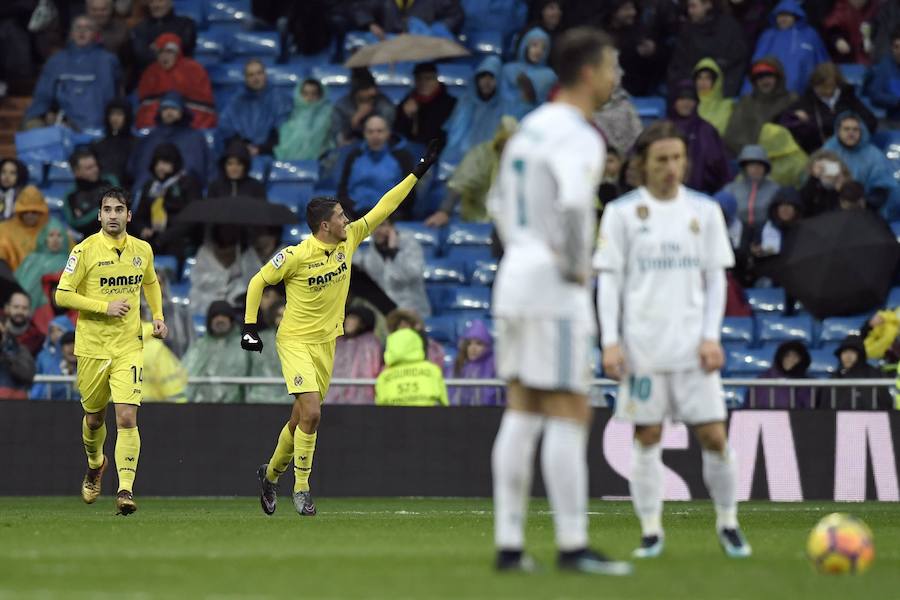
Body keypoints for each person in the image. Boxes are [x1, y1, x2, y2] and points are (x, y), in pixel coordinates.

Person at [489, 28, 633, 574]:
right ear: (589, 73)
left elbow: (497, 203)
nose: (617, 77)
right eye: (612, 66)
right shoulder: (579, 135)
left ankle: (509, 546)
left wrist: (525, 247)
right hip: (553, 282)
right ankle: (572, 545)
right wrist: (576, 266)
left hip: (515, 273)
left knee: (523, 408)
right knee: (571, 409)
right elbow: (575, 206)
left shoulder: (529, 128)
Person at [240, 139, 440, 517]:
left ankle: (270, 474)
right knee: (313, 413)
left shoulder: (350, 241)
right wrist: (249, 327)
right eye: (341, 216)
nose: (347, 220)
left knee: (300, 418)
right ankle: (302, 488)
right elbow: (257, 282)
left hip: (326, 343)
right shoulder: (296, 255)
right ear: (324, 225)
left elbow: (385, 206)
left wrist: (417, 172)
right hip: (295, 341)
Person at [595, 121, 750, 559]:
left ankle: (728, 523)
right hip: (642, 350)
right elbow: (609, 282)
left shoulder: (705, 211)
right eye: (661, 159)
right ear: (642, 165)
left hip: (692, 349)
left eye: (677, 158)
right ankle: (650, 531)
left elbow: (716, 280)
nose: (670, 167)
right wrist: (610, 341)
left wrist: (711, 337)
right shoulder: (622, 214)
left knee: (714, 435)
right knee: (647, 435)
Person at [54, 186, 168, 515]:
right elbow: (62, 294)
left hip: (128, 345)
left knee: (127, 416)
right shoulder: (84, 251)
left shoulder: (143, 250)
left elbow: (150, 282)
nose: (113, 215)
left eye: (119, 210)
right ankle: (95, 464)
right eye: (107, 210)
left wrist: (158, 316)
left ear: (128, 215)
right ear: (99, 215)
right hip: (92, 346)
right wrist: (105, 306)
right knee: (94, 419)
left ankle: (125, 490)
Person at [23, 15, 121, 132]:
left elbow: (113, 98)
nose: (82, 32)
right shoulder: (56, 61)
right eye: (78, 28)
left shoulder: (108, 61)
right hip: (63, 127)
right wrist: (42, 116)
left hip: (99, 127)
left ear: (96, 34)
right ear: (71, 33)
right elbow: (43, 96)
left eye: (88, 28)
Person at [426, 117, 517, 227]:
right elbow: (460, 183)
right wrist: (444, 211)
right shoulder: (482, 154)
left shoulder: (520, 159)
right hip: (478, 219)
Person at [779, 62, 877, 154]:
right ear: (814, 84)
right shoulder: (805, 102)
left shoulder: (848, 98)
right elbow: (784, 123)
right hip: (818, 152)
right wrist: (796, 118)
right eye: (822, 87)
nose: (827, 91)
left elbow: (871, 122)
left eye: (830, 86)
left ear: (837, 84)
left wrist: (854, 131)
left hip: (850, 151)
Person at [338, 114, 416, 218]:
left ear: (388, 133)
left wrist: (386, 214)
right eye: (370, 132)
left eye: (379, 131)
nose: (375, 136)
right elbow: (342, 191)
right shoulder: (354, 156)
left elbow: (409, 193)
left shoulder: (402, 157)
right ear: (364, 134)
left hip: (389, 215)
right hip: (355, 214)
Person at [128, 91, 212, 188]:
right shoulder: (149, 138)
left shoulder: (195, 138)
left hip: (183, 192)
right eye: (165, 109)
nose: (169, 112)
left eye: (173, 108)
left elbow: (201, 170)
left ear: (181, 111)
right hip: (148, 192)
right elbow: (136, 169)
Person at [667, 0, 748, 97]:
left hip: (723, 92)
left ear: (708, 5)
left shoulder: (730, 27)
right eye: (688, 7)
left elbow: (737, 63)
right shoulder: (687, 31)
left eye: (693, 6)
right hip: (691, 93)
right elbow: (678, 66)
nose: (690, 11)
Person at [135, 33, 216, 130]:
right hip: (157, 123)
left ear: (177, 52)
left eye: (169, 52)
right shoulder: (151, 72)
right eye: (160, 52)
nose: (164, 56)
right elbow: (145, 107)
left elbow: (204, 108)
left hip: (188, 123)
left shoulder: (193, 70)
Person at [131, 142, 202, 253]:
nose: (160, 167)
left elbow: (192, 218)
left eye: (165, 163)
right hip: (152, 239)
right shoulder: (150, 185)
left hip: (178, 240)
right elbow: (139, 216)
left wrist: (163, 238)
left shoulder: (188, 183)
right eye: (157, 163)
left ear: (175, 163)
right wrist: (142, 229)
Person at [354, 217, 430, 318]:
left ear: (392, 227)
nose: (377, 230)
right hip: (385, 315)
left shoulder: (409, 245)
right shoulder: (370, 254)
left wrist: (394, 252)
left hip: (413, 311)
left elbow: (413, 275)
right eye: (374, 226)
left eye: (382, 225)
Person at [822, 112, 898, 213]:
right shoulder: (830, 151)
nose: (851, 133)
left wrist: (863, 204)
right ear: (838, 131)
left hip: (865, 208)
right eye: (846, 129)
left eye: (855, 129)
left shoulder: (874, 155)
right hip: (833, 208)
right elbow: (825, 184)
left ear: (861, 131)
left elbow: (881, 191)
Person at [750, 0, 829, 94]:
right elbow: (757, 63)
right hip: (772, 93)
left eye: (787, 15)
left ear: (795, 16)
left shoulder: (810, 34)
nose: (783, 19)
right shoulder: (768, 36)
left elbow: (823, 63)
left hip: (806, 93)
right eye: (780, 16)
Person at [217, 59, 293, 157]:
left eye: (259, 73)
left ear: (265, 75)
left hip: (271, 153)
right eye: (251, 75)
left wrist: (260, 149)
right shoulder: (236, 101)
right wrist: (244, 148)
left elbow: (284, 131)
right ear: (245, 78)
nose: (256, 78)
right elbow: (227, 129)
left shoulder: (280, 99)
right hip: (240, 154)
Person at [668, 80, 731, 194]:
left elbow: (720, 167)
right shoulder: (662, 129)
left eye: (690, 99)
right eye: (681, 99)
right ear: (674, 102)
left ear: (696, 102)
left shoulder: (707, 130)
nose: (686, 103)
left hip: (703, 194)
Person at [723, 58, 797, 156]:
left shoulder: (791, 100)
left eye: (769, 76)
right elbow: (732, 136)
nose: (765, 81)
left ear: (778, 77)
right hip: (749, 158)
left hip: (783, 156)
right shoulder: (746, 102)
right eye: (759, 77)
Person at [182, 300, 248, 403]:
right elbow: (185, 375)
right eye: (215, 316)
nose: (220, 319)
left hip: (235, 407)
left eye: (224, 316)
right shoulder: (199, 347)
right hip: (200, 407)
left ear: (231, 320)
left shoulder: (244, 347)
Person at [441, 56, 503, 165]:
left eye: (491, 77)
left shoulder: (504, 106)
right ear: (476, 79)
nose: (487, 82)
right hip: (459, 160)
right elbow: (453, 134)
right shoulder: (465, 102)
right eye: (483, 77)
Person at [603, 0, 669, 97]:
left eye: (633, 8)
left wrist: (652, 52)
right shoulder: (598, 32)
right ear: (613, 12)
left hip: (635, 87)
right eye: (626, 9)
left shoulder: (641, 31)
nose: (632, 12)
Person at [189, 225, 257, 317]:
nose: (228, 232)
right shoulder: (205, 251)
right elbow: (197, 278)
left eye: (231, 229)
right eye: (224, 229)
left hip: (234, 306)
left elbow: (251, 278)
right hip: (205, 303)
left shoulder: (244, 251)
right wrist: (225, 277)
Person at [375, 328, 448, 406]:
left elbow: (379, 408)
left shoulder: (383, 377)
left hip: (395, 414)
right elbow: (444, 403)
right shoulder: (433, 370)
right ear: (417, 344)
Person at [394, 62, 457, 148]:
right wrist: (405, 115)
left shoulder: (451, 104)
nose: (423, 82)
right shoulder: (408, 101)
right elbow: (398, 132)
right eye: (419, 78)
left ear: (436, 79)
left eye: (428, 78)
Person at [501, 27, 558, 119]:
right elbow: (503, 100)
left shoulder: (550, 76)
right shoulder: (508, 70)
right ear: (525, 45)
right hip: (508, 121)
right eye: (534, 45)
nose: (538, 51)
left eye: (543, 48)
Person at [330, 305, 383, 404]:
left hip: (362, 399)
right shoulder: (337, 342)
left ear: (363, 323)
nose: (348, 322)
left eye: (353, 319)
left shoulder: (370, 343)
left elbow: (373, 369)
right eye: (348, 318)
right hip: (332, 398)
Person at [330, 68, 396, 147]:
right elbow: (338, 138)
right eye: (367, 88)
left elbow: (387, 135)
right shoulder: (342, 106)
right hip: (352, 148)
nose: (373, 92)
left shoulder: (384, 105)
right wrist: (356, 119)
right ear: (357, 91)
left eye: (374, 88)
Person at [721, 145, 780, 232]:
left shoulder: (775, 189)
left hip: (767, 233)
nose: (756, 169)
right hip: (736, 232)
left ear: (766, 167)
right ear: (744, 167)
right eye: (752, 165)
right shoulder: (730, 189)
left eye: (760, 165)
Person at [129, 0, 197, 74]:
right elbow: (141, 55)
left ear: (170, 3)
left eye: (160, 1)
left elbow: (184, 49)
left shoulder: (185, 24)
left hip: (181, 75)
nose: (156, 5)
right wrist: (170, 46)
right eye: (152, 2)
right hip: (151, 75)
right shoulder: (140, 28)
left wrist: (157, 47)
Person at [15, 219, 70, 309]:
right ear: (44, 238)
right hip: (22, 306)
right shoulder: (31, 259)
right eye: (51, 235)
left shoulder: (69, 262)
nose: (55, 239)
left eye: (59, 235)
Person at [274, 79, 334, 161]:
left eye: (314, 94)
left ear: (320, 95)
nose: (309, 97)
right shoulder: (289, 113)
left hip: (320, 160)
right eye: (305, 94)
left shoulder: (329, 113)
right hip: (289, 160)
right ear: (299, 94)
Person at [64, 147, 117, 239]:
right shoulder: (71, 196)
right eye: (89, 168)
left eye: (95, 165)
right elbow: (76, 223)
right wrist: (104, 211)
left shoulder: (110, 182)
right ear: (76, 172)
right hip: (91, 241)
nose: (95, 170)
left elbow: (121, 206)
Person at [831, 334, 892, 409]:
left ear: (860, 355)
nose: (848, 356)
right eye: (845, 352)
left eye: (852, 352)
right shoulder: (836, 376)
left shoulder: (873, 374)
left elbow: (884, 402)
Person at [450, 320, 501, 406]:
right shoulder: (459, 366)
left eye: (479, 344)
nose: (473, 348)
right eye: (469, 344)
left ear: (487, 346)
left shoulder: (494, 366)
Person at [0, 186, 49, 271]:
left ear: (41, 213)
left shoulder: (53, 231)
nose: (30, 215)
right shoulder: (4, 230)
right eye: (25, 212)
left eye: (34, 212)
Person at [753, 340, 814, 408]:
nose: (790, 359)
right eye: (787, 356)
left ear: (802, 359)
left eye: (795, 356)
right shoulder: (763, 380)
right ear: (780, 357)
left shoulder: (810, 384)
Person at [29, 317, 77, 400]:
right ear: (61, 349)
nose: (71, 348)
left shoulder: (87, 367)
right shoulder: (52, 367)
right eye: (67, 344)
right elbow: (42, 392)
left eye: (59, 330)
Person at [92, 98, 136, 189]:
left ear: (127, 117)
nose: (115, 118)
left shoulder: (136, 144)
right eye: (112, 114)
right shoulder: (98, 145)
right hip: (102, 192)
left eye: (119, 114)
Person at [140, 321, 187, 402]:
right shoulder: (156, 348)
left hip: (119, 407)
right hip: (151, 407)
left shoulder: (117, 345)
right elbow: (172, 388)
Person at [592, 85, 643, 157]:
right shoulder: (590, 111)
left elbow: (638, 132)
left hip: (629, 154)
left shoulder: (626, 106)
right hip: (604, 155)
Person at [823, 0, 879, 65]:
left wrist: (874, 45)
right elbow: (832, 28)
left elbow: (881, 32)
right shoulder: (841, 7)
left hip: (871, 60)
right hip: (846, 60)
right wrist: (838, 40)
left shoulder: (877, 9)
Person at [799, 149, 851, 216]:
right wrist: (813, 178)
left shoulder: (847, 184)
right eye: (822, 169)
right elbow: (803, 205)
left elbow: (853, 207)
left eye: (829, 167)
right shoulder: (812, 187)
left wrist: (843, 189)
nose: (826, 171)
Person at [865, 26, 900, 124]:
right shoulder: (884, 68)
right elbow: (875, 95)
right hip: (895, 122)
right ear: (891, 48)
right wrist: (897, 101)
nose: (899, 51)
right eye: (896, 47)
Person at [0, 308, 36, 400]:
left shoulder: (19, 349)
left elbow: (27, 375)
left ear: (5, 328)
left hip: (15, 403)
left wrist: (7, 356)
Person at [693, 58, 734, 136]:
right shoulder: (687, 105)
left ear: (716, 81)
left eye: (708, 78)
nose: (702, 82)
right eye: (699, 77)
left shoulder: (728, 107)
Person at [3, 291, 44, 357]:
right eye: (16, 307)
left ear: (30, 311)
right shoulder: (1, 329)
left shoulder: (37, 338)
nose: (20, 311)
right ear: (7, 308)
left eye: (24, 308)